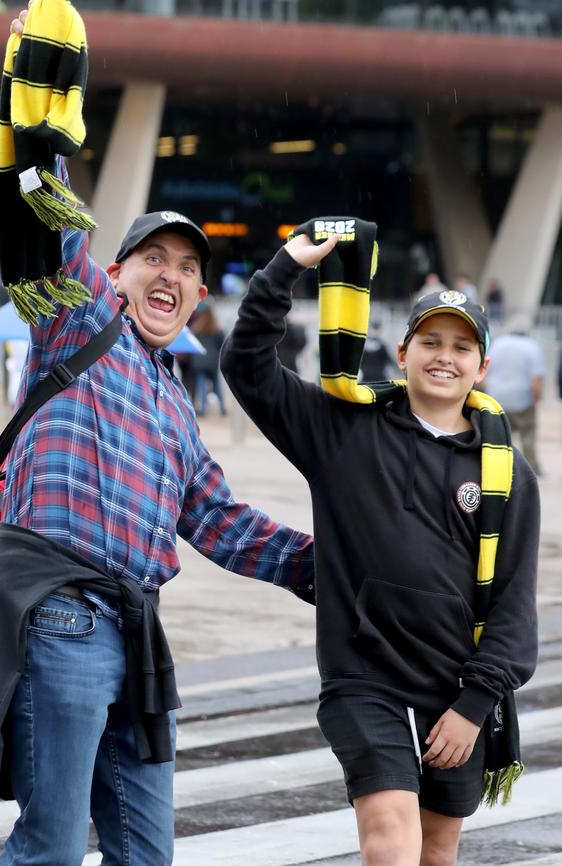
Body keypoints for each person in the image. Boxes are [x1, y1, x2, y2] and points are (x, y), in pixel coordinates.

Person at [0, 7, 315, 866]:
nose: (173, 276)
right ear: (117, 274)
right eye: (154, 260)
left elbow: (226, 524)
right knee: (50, 846)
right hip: (62, 613)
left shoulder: (174, 404)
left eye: (189, 269)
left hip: (139, 634)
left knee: (145, 856)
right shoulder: (77, 318)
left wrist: (336, 563)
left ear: (200, 296)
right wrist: (40, 107)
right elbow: (50, 224)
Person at [221, 226, 539, 866]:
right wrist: (284, 269)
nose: (443, 357)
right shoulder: (341, 428)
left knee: (436, 851)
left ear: (483, 366)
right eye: (430, 341)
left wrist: (474, 705)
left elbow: (513, 605)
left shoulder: (508, 473)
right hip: (364, 678)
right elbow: (247, 367)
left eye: (460, 346)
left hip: (457, 688)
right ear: (402, 351)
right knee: (391, 843)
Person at [483, 316, 546, 475]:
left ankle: (501, 469)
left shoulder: (497, 344)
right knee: (527, 434)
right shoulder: (532, 346)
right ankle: (532, 469)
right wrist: (536, 398)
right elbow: (536, 379)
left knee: (501, 436)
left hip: (497, 398)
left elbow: (485, 370)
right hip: (522, 399)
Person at [188, 298, 227, 416]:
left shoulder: (196, 329)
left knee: (201, 385)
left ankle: (203, 408)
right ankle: (222, 408)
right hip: (213, 362)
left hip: (199, 361)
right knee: (217, 385)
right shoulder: (217, 330)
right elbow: (222, 345)